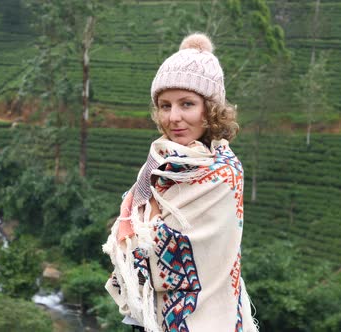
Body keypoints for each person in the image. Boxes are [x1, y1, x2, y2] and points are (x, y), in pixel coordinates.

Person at [103, 32, 259, 332]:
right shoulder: (159, 162)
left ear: (209, 108)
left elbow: (167, 250)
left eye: (186, 104)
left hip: (203, 320)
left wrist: (137, 228)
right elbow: (137, 224)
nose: (173, 117)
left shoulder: (224, 173)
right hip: (149, 320)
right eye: (165, 105)